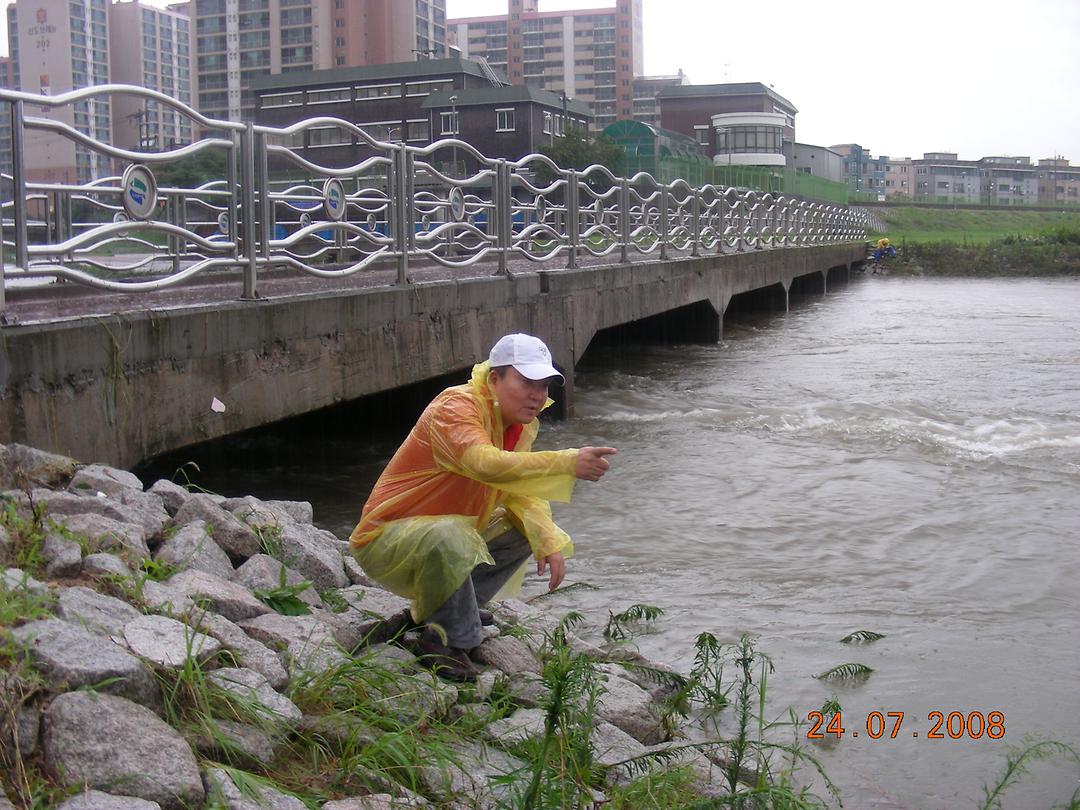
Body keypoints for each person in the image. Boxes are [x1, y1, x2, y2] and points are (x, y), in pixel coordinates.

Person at [349, 333, 617, 681]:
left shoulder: (516, 425)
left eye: (545, 385)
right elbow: (483, 463)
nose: (538, 395)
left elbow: (519, 490)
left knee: (528, 530)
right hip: (384, 539)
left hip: (441, 537)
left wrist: (547, 541)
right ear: (494, 378)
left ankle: (452, 611)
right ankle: (445, 641)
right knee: (452, 534)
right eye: (526, 382)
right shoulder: (454, 408)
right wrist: (566, 462)